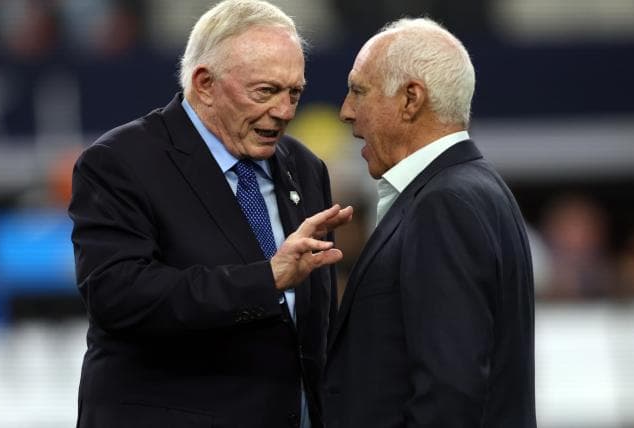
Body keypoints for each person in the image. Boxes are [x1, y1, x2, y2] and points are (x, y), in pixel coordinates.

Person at [68, 1, 352, 427]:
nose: (284, 111)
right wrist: (266, 278)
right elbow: (119, 297)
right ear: (205, 84)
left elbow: (312, 329)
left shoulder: (304, 167)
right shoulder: (121, 162)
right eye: (265, 91)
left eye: (294, 93)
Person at [323, 18, 536, 427]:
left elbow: (450, 392)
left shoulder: (444, 204)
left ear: (410, 99)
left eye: (358, 91)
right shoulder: (476, 188)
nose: (346, 111)